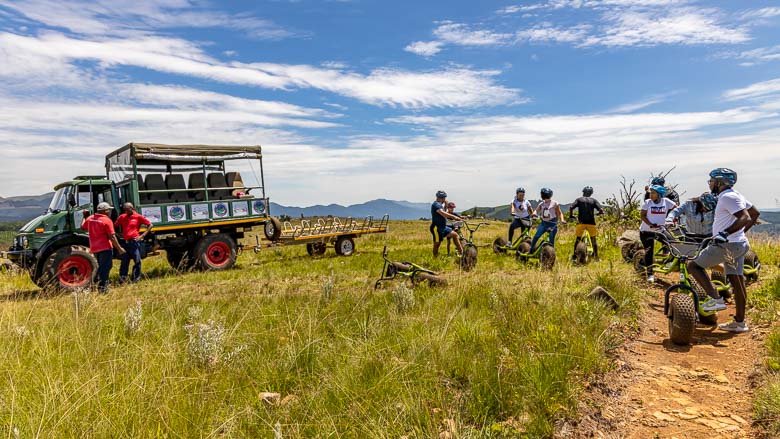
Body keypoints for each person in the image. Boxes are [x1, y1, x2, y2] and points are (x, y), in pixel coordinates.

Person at [687, 168, 760, 333]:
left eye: (712, 180)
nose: (710, 183)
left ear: (720, 182)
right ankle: (740, 323)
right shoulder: (736, 195)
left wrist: (725, 233)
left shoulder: (727, 197)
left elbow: (746, 217)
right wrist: (739, 232)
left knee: (693, 266)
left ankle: (716, 299)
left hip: (726, 245)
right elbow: (755, 213)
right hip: (738, 245)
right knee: (737, 283)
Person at [81, 202, 125, 293]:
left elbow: (82, 226)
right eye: (108, 210)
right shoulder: (107, 220)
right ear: (105, 211)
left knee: (101, 266)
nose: (109, 211)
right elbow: (112, 237)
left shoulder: (90, 218)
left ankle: (95, 284)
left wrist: (84, 216)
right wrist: (119, 248)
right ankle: (103, 289)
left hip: (95, 248)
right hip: (105, 247)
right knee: (105, 267)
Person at [639, 185, 677, 283]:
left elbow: (677, 209)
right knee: (649, 251)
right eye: (650, 193)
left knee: (674, 243)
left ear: (659, 194)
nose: (651, 195)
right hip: (646, 231)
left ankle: (669, 262)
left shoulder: (666, 201)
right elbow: (642, 216)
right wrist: (651, 224)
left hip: (660, 230)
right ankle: (650, 274)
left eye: (653, 193)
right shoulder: (648, 203)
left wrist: (672, 219)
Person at [115, 202, 153, 284]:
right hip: (125, 243)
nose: (126, 211)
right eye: (124, 210)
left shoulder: (138, 217)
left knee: (137, 261)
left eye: (127, 210)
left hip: (134, 242)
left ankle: (136, 279)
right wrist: (118, 234)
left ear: (132, 208)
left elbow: (150, 225)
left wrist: (142, 236)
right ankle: (122, 279)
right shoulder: (122, 217)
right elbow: (115, 225)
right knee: (124, 261)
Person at [569, 186, 604, 261]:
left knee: (578, 239)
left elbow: (571, 207)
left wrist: (571, 215)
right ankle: (596, 257)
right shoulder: (594, 200)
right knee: (593, 240)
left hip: (581, 223)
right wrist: (599, 213)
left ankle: (574, 256)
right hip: (591, 223)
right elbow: (601, 210)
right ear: (591, 193)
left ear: (583, 192)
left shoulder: (579, 199)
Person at [430, 191, 464, 257]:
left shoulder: (439, 205)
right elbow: (443, 213)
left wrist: (445, 206)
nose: (445, 200)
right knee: (437, 244)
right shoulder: (436, 204)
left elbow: (443, 213)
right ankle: (435, 258)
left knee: (455, 235)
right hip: (437, 228)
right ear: (441, 198)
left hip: (443, 227)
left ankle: (461, 252)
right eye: (444, 198)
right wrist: (454, 217)